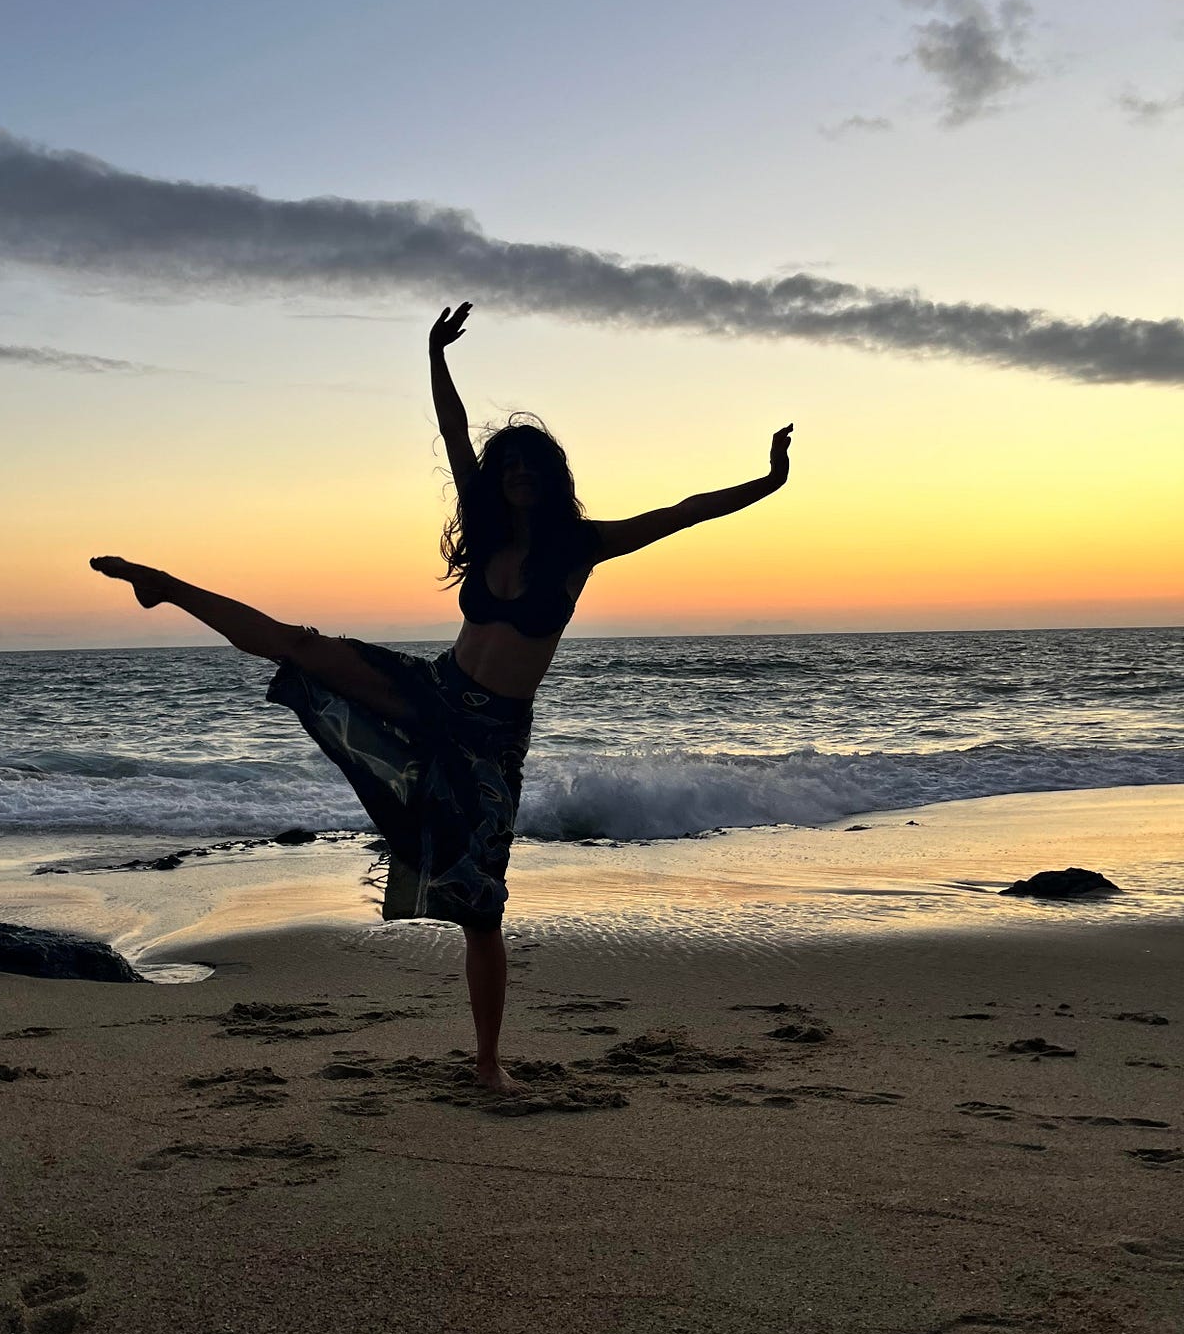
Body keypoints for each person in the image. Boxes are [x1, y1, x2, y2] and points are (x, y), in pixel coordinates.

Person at [91, 302, 792, 1093]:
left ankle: (489, 1061)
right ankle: (168, 587)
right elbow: (456, 434)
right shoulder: (488, 531)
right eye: (510, 467)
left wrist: (767, 481)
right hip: (432, 691)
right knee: (304, 644)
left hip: (491, 740)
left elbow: (684, 512)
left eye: (531, 467)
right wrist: (435, 354)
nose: (518, 476)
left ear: (551, 478)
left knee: (483, 909)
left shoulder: (580, 547)